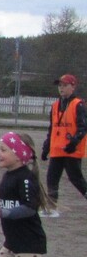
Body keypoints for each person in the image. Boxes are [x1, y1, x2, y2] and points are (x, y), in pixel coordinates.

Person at [40, 74, 87, 218]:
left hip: (71, 150)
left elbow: (83, 127)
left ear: (73, 87)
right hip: (57, 149)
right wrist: (46, 148)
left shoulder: (78, 104)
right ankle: (51, 208)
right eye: (60, 86)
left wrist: (74, 143)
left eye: (65, 85)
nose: (61, 88)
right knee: (51, 178)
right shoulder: (55, 106)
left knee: (76, 178)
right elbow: (52, 129)